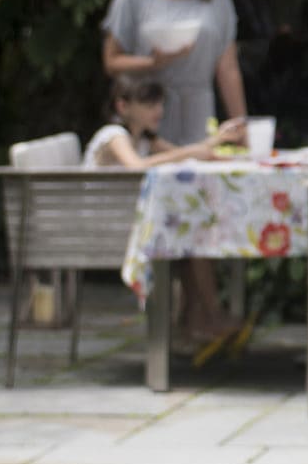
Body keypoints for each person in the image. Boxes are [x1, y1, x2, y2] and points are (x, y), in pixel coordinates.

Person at [85, 75, 250, 362]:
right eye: (149, 104)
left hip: (132, 225)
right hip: (105, 230)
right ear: (123, 106)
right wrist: (195, 151)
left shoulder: (145, 139)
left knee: (192, 233)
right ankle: (204, 319)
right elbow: (137, 166)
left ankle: (197, 322)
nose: (158, 110)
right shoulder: (114, 136)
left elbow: (183, 155)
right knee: (190, 235)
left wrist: (218, 142)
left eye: (160, 103)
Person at [102, 0, 247, 145]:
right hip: (149, 115)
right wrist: (152, 63)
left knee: (198, 160)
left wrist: (241, 128)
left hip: (199, 113)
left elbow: (228, 70)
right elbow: (111, 62)